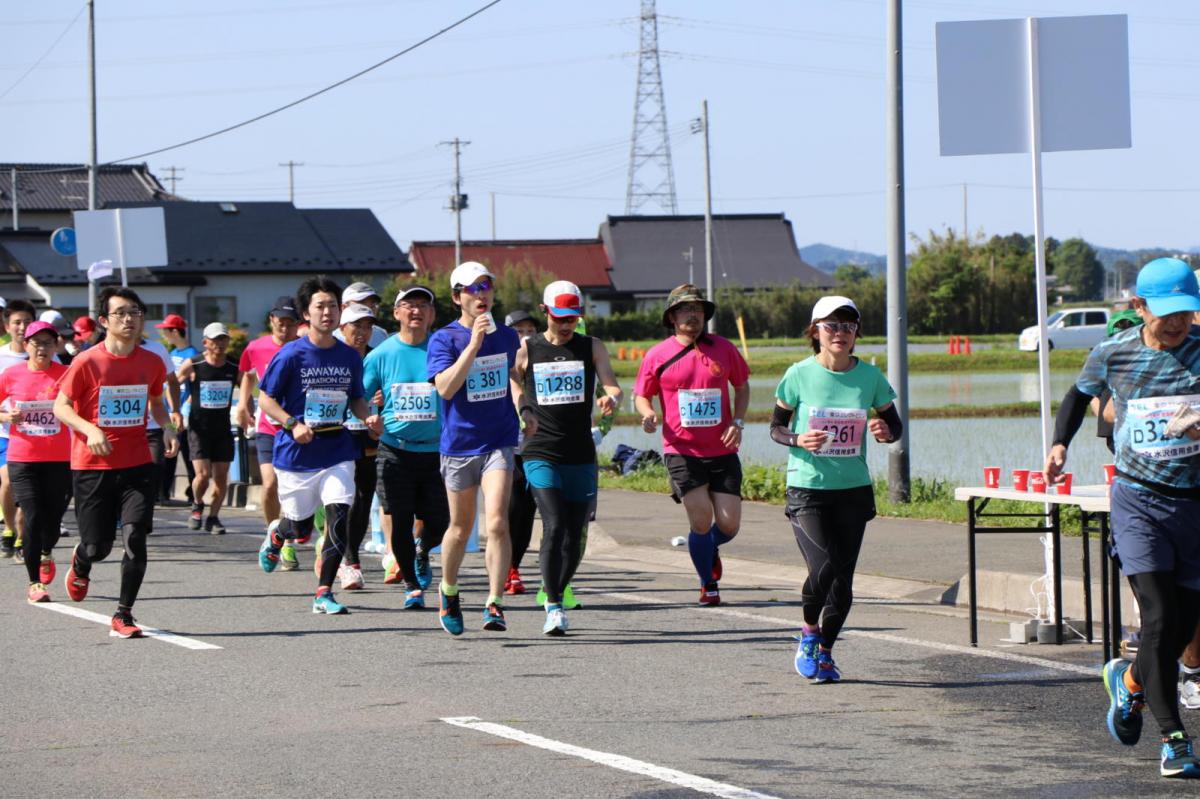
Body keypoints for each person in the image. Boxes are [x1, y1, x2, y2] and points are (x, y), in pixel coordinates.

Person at [1046, 257, 1200, 779]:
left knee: (1179, 629)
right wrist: (1059, 444)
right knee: (1157, 617)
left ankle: (1130, 683)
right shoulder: (1114, 352)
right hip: (1138, 502)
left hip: (1195, 506)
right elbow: (1077, 394)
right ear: (1139, 307)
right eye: (1167, 313)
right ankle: (1174, 740)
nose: (1178, 323)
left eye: (1187, 312)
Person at [769, 295, 900, 683]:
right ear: (816, 332)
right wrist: (797, 440)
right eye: (831, 326)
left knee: (842, 580)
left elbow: (895, 425)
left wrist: (884, 430)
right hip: (808, 488)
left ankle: (826, 651)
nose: (840, 333)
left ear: (856, 333)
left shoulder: (870, 377)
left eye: (848, 326)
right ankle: (809, 634)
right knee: (822, 567)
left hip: (853, 488)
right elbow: (775, 428)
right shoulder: (798, 374)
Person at [53, 286, 178, 638]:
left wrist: (167, 427)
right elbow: (60, 406)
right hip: (92, 465)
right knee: (99, 547)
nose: (129, 318)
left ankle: (124, 614)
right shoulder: (86, 361)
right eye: (121, 313)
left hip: (137, 461)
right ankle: (82, 559)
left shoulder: (152, 361)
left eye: (135, 312)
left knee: (136, 537)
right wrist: (89, 428)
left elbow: (155, 400)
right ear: (104, 321)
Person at [255, 277, 380, 615]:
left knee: (340, 512)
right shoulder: (291, 355)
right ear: (306, 314)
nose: (328, 312)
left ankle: (323, 592)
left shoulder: (349, 356)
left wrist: (368, 418)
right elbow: (265, 399)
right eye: (320, 306)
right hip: (297, 453)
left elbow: (356, 398)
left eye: (333, 306)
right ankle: (278, 534)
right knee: (299, 526)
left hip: (337, 449)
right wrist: (292, 424)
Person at [512, 281, 621, 635]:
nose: (566, 324)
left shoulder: (592, 346)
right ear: (546, 312)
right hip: (540, 449)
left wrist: (611, 399)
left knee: (574, 534)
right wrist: (523, 406)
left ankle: (557, 588)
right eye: (560, 317)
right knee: (554, 523)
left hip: (579, 452)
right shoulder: (529, 348)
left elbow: (612, 384)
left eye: (572, 318)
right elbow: (513, 380)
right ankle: (554, 606)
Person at [634, 284, 750, 606]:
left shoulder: (724, 348)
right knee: (700, 519)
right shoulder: (657, 354)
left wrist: (737, 422)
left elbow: (741, 386)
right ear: (672, 316)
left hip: (723, 449)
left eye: (698, 310)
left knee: (729, 524)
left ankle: (705, 546)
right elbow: (641, 395)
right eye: (686, 310)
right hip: (681, 450)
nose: (693, 315)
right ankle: (707, 583)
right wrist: (648, 414)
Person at [427, 261, 522, 635]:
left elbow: (511, 376)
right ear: (457, 298)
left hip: (499, 439)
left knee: (497, 521)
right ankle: (449, 589)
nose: (481, 294)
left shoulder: (508, 337)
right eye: (472, 289)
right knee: (460, 527)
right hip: (459, 445)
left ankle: (494, 602)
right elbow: (445, 388)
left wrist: (523, 406)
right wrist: (474, 344)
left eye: (486, 287)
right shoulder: (444, 339)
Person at [364, 285, 449, 609]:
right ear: (397, 313)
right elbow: (359, 397)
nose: (416, 311)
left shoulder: (442, 349)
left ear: (432, 315)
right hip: (395, 450)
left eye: (423, 306)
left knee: (441, 522)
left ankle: (422, 549)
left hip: (437, 451)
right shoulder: (381, 355)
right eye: (409, 305)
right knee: (398, 519)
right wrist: (371, 416)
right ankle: (412, 586)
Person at [0, 321, 71, 602]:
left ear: (56, 346)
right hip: (22, 457)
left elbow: (84, 405)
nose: (42, 348)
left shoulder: (67, 374)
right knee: (31, 516)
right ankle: (35, 583)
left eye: (47, 343)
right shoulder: (11, 375)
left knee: (52, 521)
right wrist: (6, 417)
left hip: (59, 458)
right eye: (36, 342)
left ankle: (46, 552)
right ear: (26, 345)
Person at [238, 296, 300, 568]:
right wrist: (243, 403)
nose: (283, 327)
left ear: (297, 324)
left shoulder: (303, 349)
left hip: (297, 428)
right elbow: (249, 376)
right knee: (270, 483)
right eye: (279, 321)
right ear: (271, 320)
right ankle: (273, 535)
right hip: (267, 427)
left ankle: (287, 541)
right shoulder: (256, 347)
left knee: (291, 488)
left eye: (289, 322)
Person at [330, 302, 381, 590]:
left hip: (369, 434)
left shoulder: (376, 357)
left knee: (362, 497)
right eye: (356, 326)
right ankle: (339, 554)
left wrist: (382, 401)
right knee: (340, 499)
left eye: (367, 326)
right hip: (337, 433)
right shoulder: (334, 357)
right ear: (342, 328)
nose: (362, 332)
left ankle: (351, 560)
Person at [175, 323, 240, 534]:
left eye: (223, 339)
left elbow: (248, 385)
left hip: (222, 429)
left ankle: (213, 517)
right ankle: (197, 504)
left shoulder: (233, 366)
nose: (219, 344)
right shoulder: (195, 363)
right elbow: (172, 383)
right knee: (202, 475)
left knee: (221, 477)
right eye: (215, 340)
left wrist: (247, 409)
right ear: (205, 343)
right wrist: (175, 410)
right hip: (198, 428)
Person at [503, 309, 539, 595]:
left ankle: (514, 566)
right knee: (509, 508)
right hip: (506, 447)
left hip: (535, 447)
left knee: (527, 511)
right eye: (519, 331)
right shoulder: (498, 363)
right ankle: (504, 566)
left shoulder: (542, 363)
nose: (525, 336)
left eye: (530, 330)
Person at [138, 332, 183, 505]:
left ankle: (139, 519)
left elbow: (172, 382)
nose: (129, 320)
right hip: (121, 429)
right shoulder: (101, 352)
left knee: (153, 471)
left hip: (154, 424)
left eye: (136, 314)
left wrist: (175, 412)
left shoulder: (156, 350)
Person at [158, 314, 199, 504]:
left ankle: (194, 493)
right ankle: (163, 493)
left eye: (166, 330)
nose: (164, 334)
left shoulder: (193, 355)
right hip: (169, 412)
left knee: (188, 455)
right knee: (168, 453)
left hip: (185, 413)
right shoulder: (172, 353)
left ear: (175, 331)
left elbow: (194, 387)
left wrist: (184, 410)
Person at [334, 282, 389, 348]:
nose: (367, 308)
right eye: (361, 303)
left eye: (372, 304)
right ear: (344, 307)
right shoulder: (331, 339)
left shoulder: (381, 335)